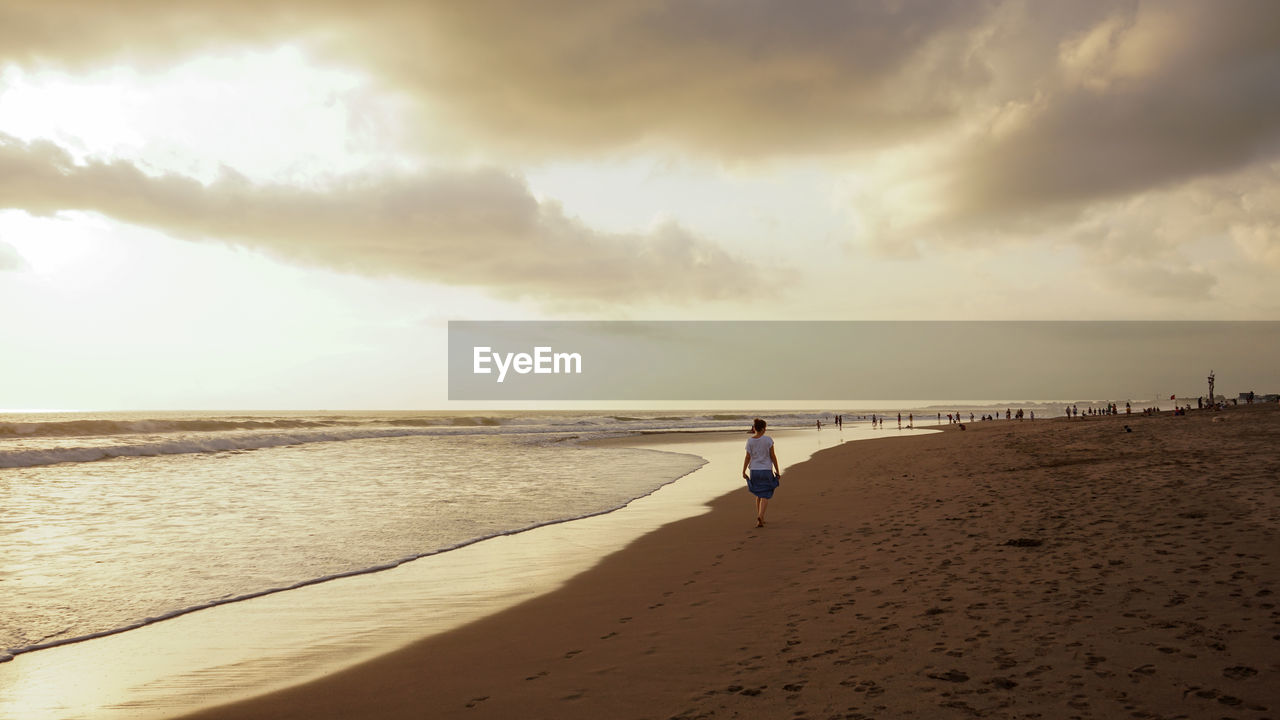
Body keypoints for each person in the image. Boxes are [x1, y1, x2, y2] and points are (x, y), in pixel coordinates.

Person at [743, 418, 781, 528]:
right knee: (765, 494)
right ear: (764, 429)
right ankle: (760, 516)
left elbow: (747, 457)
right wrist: (777, 470)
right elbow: (773, 456)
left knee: (758, 494)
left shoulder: (750, 441)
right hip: (766, 470)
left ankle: (761, 518)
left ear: (754, 428)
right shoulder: (768, 440)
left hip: (754, 470)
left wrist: (743, 470)